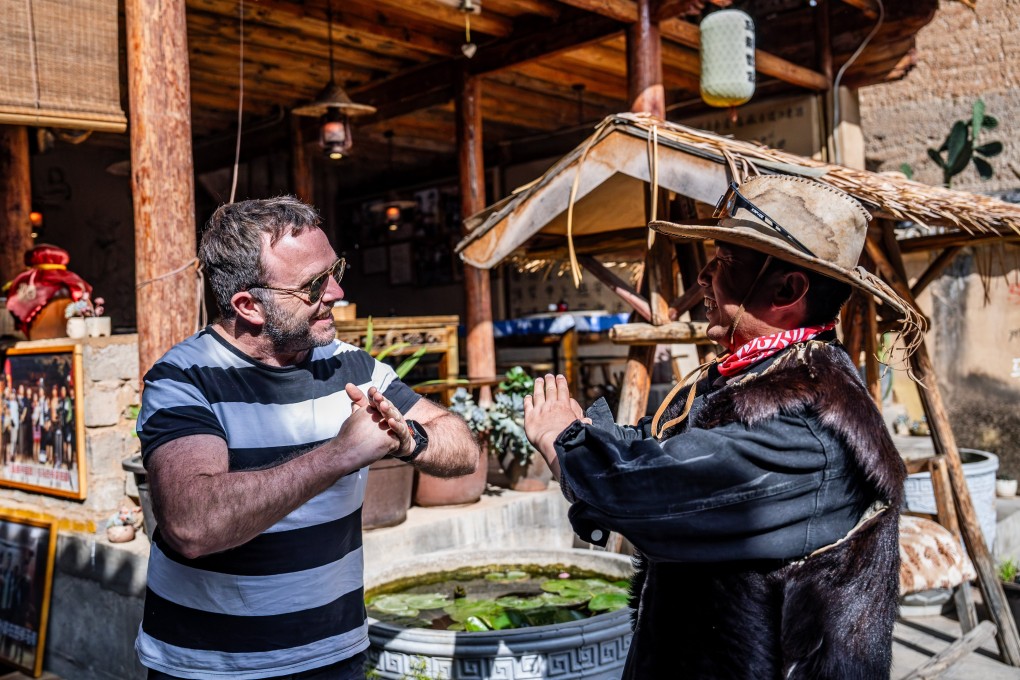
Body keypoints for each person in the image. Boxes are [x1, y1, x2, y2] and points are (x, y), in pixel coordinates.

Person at [524, 175, 921, 679]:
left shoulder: (813, 425)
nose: (704, 277)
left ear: (788, 288)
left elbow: (657, 494)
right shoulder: (748, 376)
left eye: (727, 261)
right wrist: (585, 435)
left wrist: (566, 444)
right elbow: (656, 445)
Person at [134, 196, 479, 679]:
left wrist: (408, 438)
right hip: (213, 667)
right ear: (249, 305)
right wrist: (339, 454)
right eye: (315, 284)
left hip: (335, 656)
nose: (336, 291)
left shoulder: (351, 365)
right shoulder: (185, 379)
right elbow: (193, 526)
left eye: (335, 269)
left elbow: (463, 447)